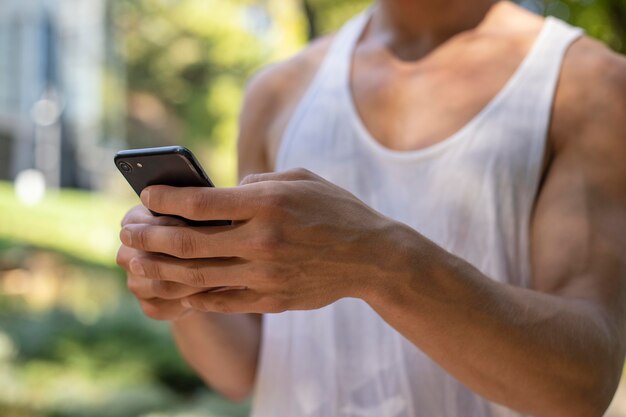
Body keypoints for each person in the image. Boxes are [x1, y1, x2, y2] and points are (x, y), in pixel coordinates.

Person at [116, 0, 626, 416]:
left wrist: (380, 262)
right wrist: (181, 287)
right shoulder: (279, 91)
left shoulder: (586, 85)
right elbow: (243, 369)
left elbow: (581, 386)